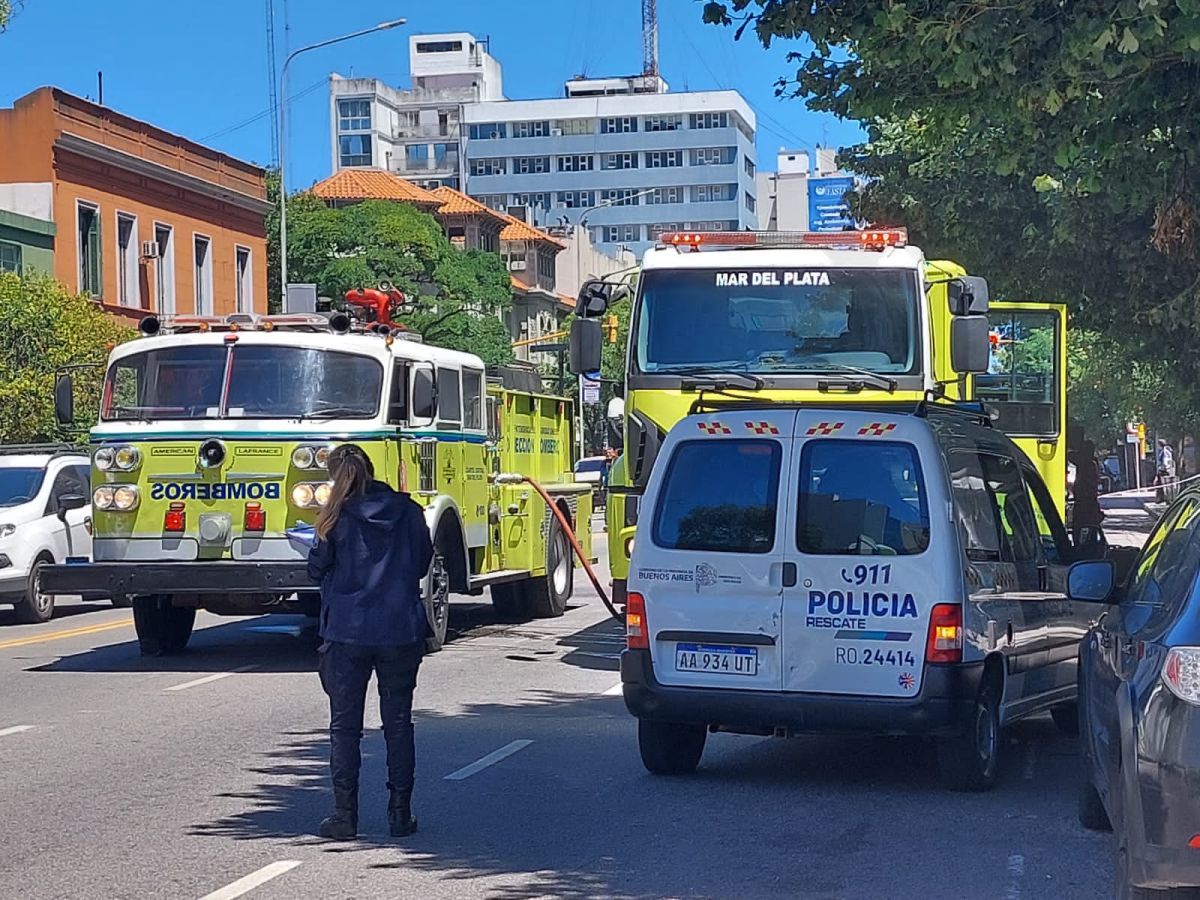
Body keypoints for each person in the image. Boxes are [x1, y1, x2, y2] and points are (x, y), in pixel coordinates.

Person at [306, 444, 434, 841]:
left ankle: (345, 816)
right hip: (399, 629)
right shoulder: (409, 512)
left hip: (347, 632)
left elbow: (316, 569)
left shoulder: (336, 517)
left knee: (345, 728)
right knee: (398, 724)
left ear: (335, 476)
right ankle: (400, 814)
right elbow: (422, 562)